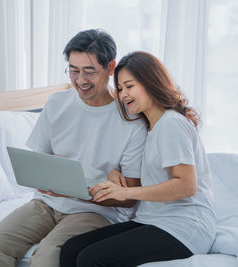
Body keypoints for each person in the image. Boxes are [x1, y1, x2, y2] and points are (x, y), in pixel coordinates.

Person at [0, 29, 147, 267]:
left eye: (89, 72)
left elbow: (130, 198)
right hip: (46, 203)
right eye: (73, 70)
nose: (80, 80)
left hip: (96, 213)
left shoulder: (131, 119)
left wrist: (74, 191)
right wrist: (46, 180)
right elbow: (39, 160)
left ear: (110, 69)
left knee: (47, 257)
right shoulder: (57, 103)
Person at [60, 51, 216, 267]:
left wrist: (126, 192)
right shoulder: (150, 127)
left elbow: (186, 185)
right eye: (121, 88)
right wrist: (117, 173)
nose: (123, 95)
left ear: (151, 83)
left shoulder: (172, 124)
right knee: (72, 248)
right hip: (152, 220)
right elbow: (154, 173)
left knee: (90, 259)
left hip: (184, 227)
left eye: (130, 86)